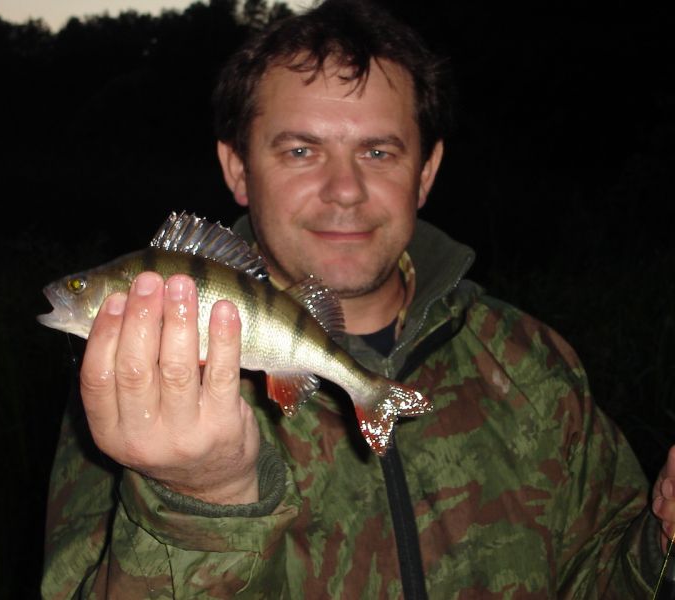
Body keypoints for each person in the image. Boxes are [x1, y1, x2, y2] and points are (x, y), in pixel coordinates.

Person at [41, 1, 674, 597]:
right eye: (300, 150)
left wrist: (663, 542)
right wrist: (197, 502)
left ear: (425, 172)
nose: (345, 189)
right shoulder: (139, 389)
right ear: (237, 169)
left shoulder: (535, 364)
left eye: (377, 151)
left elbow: (603, 573)